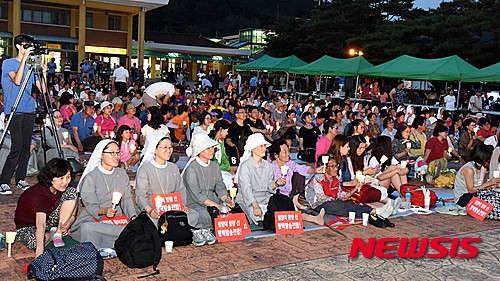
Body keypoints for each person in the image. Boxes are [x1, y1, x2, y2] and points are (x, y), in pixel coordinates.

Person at [0, 34, 47, 193]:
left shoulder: (30, 66)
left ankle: (20, 178)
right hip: (14, 109)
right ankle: (4, 180)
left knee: (26, 147)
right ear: (19, 46)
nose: (30, 48)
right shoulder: (8, 63)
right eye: (27, 45)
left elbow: (43, 89)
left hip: (29, 109)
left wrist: (43, 72)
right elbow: (17, 81)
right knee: (17, 146)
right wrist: (24, 60)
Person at [71, 140, 137, 249]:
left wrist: (133, 218)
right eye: (112, 153)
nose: (116, 156)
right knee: (87, 228)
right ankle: (122, 238)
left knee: (138, 224)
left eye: (118, 153)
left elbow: (127, 200)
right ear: (101, 154)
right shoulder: (91, 178)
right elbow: (91, 207)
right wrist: (105, 211)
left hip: (118, 217)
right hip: (95, 218)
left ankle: (117, 238)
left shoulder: (121, 173)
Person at [306, 155, 394, 228]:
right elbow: (322, 197)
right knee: (339, 206)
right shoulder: (318, 178)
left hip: (331, 202)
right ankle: (376, 212)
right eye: (332, 166)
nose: (336, 168)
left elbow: (341, 195)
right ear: (324, 167)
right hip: (318, 204)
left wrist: (355, 189)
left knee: (349, 204)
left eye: (336, 166)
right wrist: (339, 200)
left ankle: (374, 212)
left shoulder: (335, 179)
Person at [135, 136, 200, 231]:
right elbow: (140, 195)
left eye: (170, 147)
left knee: (194, 215)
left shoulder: (173, 167)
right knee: (151, 221)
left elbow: (180, 189)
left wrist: (183, 204)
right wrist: (150, 210)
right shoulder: (145, 170)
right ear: (155, 150)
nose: (168, 150)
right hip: (153, 209)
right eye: (164, 147)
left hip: (172, 207)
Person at [14, 159, 78, 256]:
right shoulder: (39, 195)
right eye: (61, 178)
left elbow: (73, 211)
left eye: (68, 177)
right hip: (28, 227)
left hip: (49, 220)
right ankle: (52, 234)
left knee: (72, 192)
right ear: (51, 178)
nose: (65, 182)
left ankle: (58, 233)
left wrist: (70, 221)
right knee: (34, 242)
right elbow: (40, 224)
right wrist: (40, 250)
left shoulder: (62, 188)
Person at [182, 133, 231, 246]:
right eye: (207, 148)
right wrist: (217, 205)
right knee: (202, 213)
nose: (211, 150)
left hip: (212, 199)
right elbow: (197, 195)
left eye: (212, 147)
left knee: (230, 210)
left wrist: (226, 200)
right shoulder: (192, 168)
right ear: (199, 151)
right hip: (194, 202)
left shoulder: (215, 166)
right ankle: (202, 230)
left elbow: (220, 187)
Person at [236, 133, 276, 225]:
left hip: (265, 198)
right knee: (258, 216)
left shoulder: (268, 165)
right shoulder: (245, 166)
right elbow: (246, 188)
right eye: (260, 146)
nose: (264, 149)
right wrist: (255, 205)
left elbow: (270, 185)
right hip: (249, 200)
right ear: (253, 149)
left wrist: (276, 184)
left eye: (264, 146)